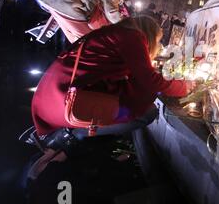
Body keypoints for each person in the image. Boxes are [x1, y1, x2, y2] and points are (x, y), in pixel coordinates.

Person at [30, 15, 193, 157]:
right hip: (66, 102)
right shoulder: (132, 37)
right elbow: (149, 80)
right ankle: (74, 134)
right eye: (157, 41)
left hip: (55, 92)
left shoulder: (117, 32)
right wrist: (185, 87)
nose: (157, 46)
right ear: (149, 35)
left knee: (133, 100)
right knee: (147, 112)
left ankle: (88, 136)